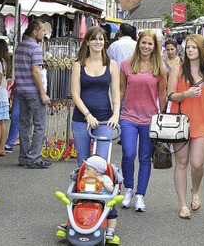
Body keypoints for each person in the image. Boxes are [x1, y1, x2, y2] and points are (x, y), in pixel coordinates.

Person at [167, 34, 204, 220]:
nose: (190, 50)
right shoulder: (178, 70)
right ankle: (182, 204)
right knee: (181, 163)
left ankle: (195, 190)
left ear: (201, 50)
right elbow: (171, 95)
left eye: (194, 47)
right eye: (188, 47)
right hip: (180, 122)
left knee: (197, 164)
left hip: (202, 122)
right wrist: (185, 94)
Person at [119, 30, 166, 212]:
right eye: (144, 43)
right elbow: (121, 91)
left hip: (150, 119)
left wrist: (162, 117)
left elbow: (162, 94)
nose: (146, 46)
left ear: (154, 47)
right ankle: (129, 189)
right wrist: (116, 112)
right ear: (138, 43)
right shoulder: (126, 65)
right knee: (128, 154)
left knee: (145, 158)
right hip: (128, 116)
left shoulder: (159, 68)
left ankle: (140, 195)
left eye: (150, 44)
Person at [71, 26, 120, 167]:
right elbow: (75, 94)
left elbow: (116, 92)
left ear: (105, 42)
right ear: (87, 42)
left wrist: (116, 114)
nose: (97, 42)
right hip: (81, 119)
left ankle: (99, 188)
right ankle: (83, 188)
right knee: (83, 161)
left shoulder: (112, 64)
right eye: (94, 39)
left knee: (100, 163)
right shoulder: (79, 64)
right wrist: (88, 115)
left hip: (105, 118)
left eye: (101, 39)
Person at [14, 19, 51, 169]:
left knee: (24, 124)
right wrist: (43, 93)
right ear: (35, 32)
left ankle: (23, 156)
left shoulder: (19, 46)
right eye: (42, 30)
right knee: (39, 125)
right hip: (33, 91)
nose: (45, 33)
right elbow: (36, 72)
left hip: (21, 90)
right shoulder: (35, 47)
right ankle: (34, 157)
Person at [60, 155, 119, 240]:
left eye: (88, 169)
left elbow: (111, 189)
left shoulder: (105, 178)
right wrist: (82, 182)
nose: (85, 171)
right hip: (86, 199)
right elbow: (80, 189)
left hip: (103, 201)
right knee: (74, 208)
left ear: (97, 172)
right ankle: (71, 224)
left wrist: (104, 183)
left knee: (112, 212)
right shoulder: (86, 178)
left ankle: (111, 230)